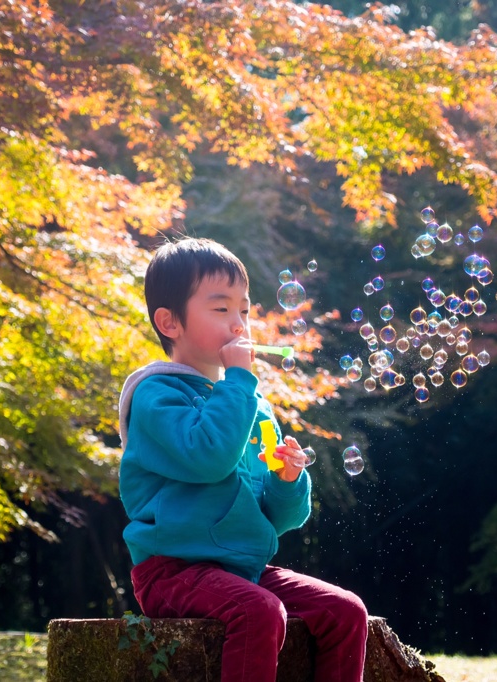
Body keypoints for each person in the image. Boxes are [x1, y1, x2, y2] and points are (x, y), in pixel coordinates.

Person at [118, 237, 368, 682]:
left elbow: (278, 519)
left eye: (245, 311)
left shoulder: (250, 405)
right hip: (173, 569)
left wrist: (289, 480)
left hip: (241, 568)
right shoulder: (157, 396)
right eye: (221, 309)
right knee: (259, 611)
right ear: (169, 322)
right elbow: (209, 457)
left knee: (346, 611)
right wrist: (239, 382)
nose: (239, 325)